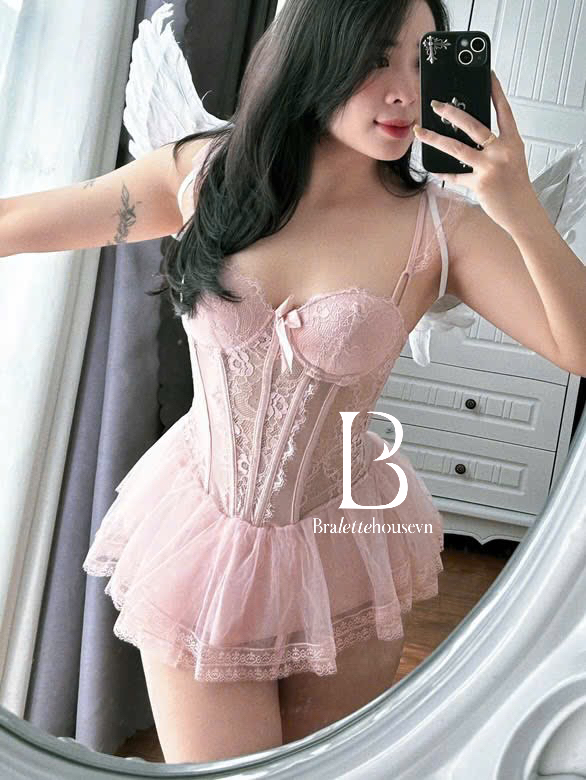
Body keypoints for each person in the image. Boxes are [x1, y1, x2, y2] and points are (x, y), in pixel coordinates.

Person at [2, 0, 585, 766]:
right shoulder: (204, 175)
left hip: (345, 542)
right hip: (200, 535)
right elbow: (19, 221)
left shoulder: (445, 231)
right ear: (317, 53)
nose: (404, 91)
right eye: (375, 58)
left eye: (422, 61)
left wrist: (517, 207)